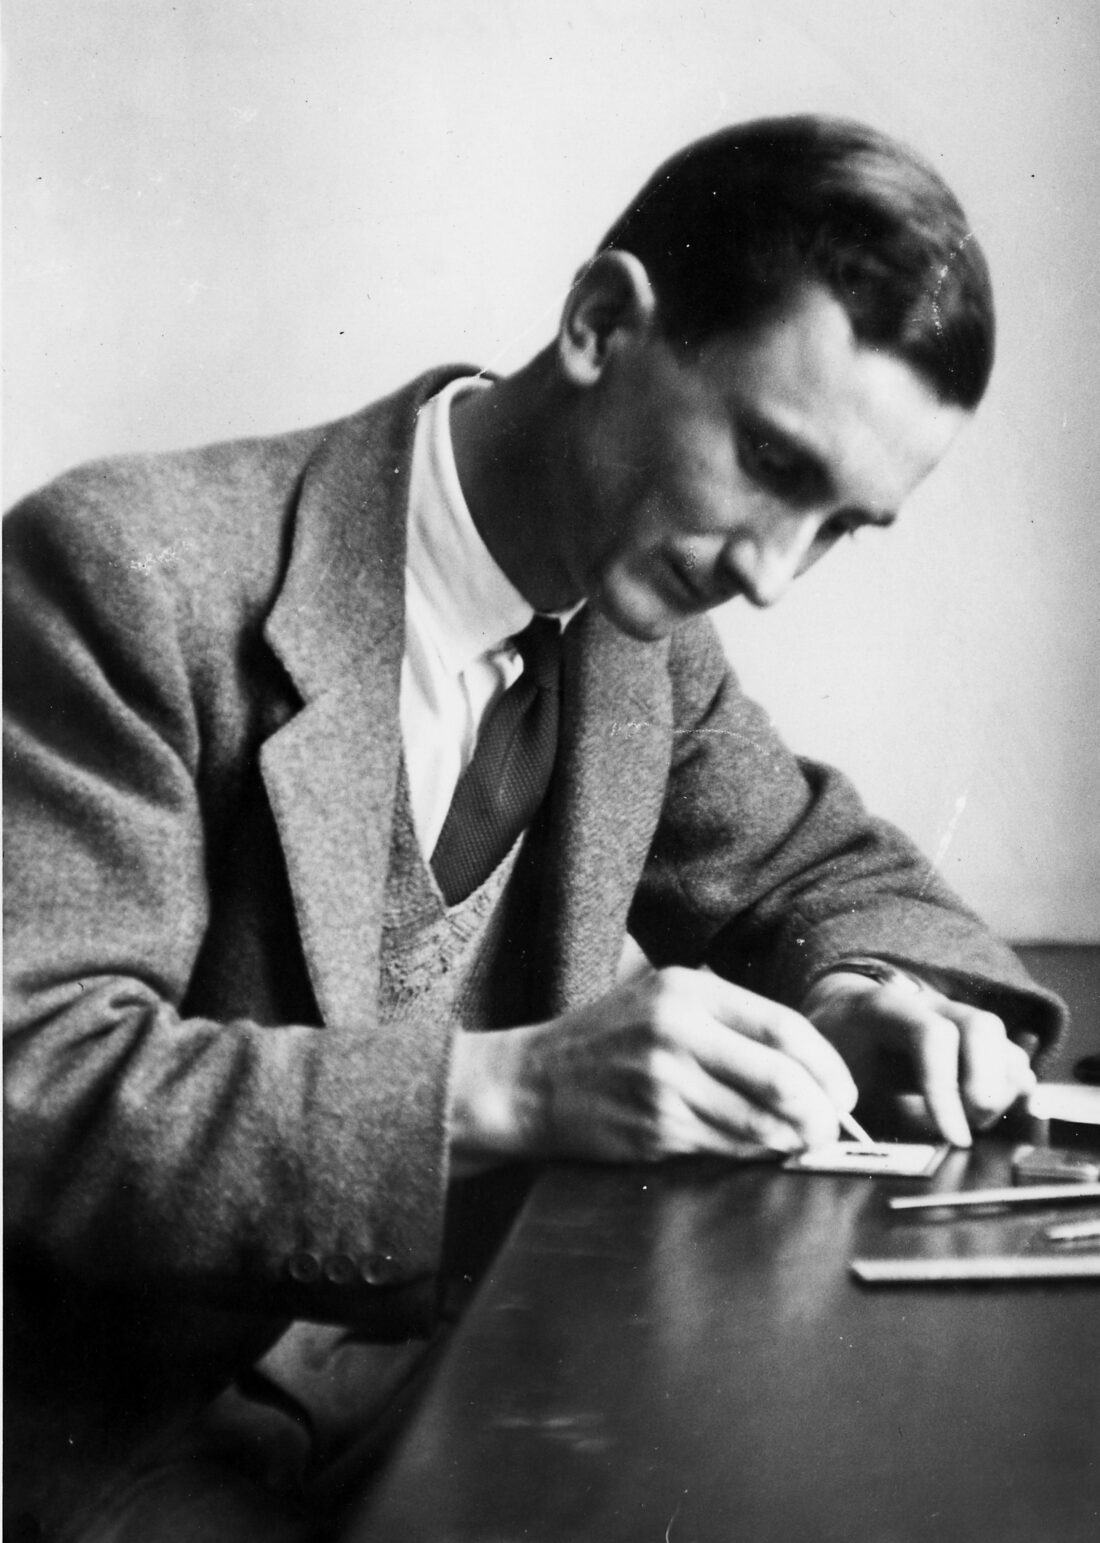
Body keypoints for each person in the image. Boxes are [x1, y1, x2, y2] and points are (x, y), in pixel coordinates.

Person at [3, 115, 1064, 1540]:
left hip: (465, 1377)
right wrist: (508, 1088)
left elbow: (826, 871)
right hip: (107, 1430)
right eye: (767, 459)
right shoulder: (131, 570)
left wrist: (872, 991)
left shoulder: (641, 642)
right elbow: (35, 1084)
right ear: (599, 324)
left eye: (841, 527)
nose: (771, 572)